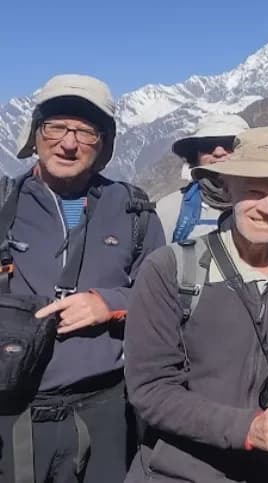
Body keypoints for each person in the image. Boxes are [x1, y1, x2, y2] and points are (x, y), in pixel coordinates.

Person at [123, 126, 268, 482]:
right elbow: (151, 388)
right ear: (227, 189)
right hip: (183, 471)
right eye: (254, 191)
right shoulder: (171, 269)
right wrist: (248, 428)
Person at [0, 74, 165, 483]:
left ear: (104, 143)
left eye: (85, 131)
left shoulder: (135, 213)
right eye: (56, 127)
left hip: (106, 412)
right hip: (13, 412)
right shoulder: (4, 204)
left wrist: (110, 304)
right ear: (35, 134)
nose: (68, 143)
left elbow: (167, 300)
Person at [155, 113, 249, 241]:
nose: (218, 152)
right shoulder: (168, 210)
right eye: (207, 145)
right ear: (196, 155)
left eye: (230, 144)